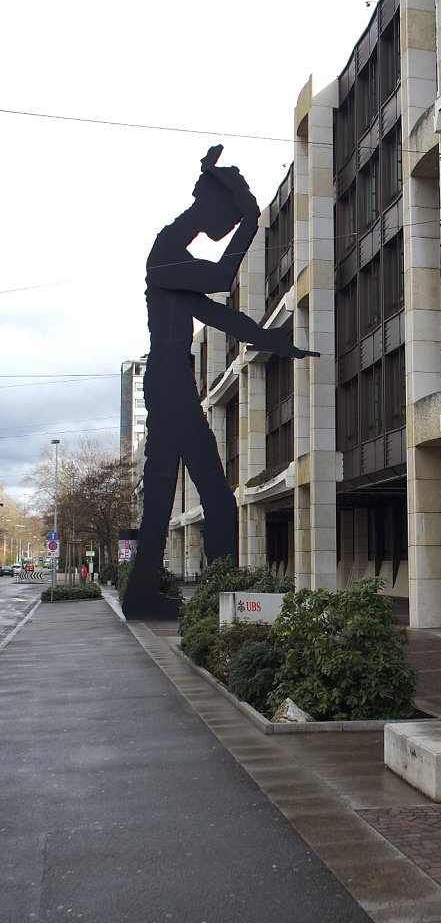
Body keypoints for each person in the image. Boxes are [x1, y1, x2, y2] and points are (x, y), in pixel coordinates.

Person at [121, 146, 316, 620]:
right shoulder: (165, 252)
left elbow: (221, 315)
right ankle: (221, 599)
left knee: (174, 497)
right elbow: (222, 276)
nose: (227, 228)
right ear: (206, 203)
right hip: (170, 384)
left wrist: (274, 341)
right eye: (227, 218)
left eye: (233, 223)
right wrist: (250, 220)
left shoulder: (173, 258)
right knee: (215, 496)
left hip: (172, 383)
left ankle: (146, 594)